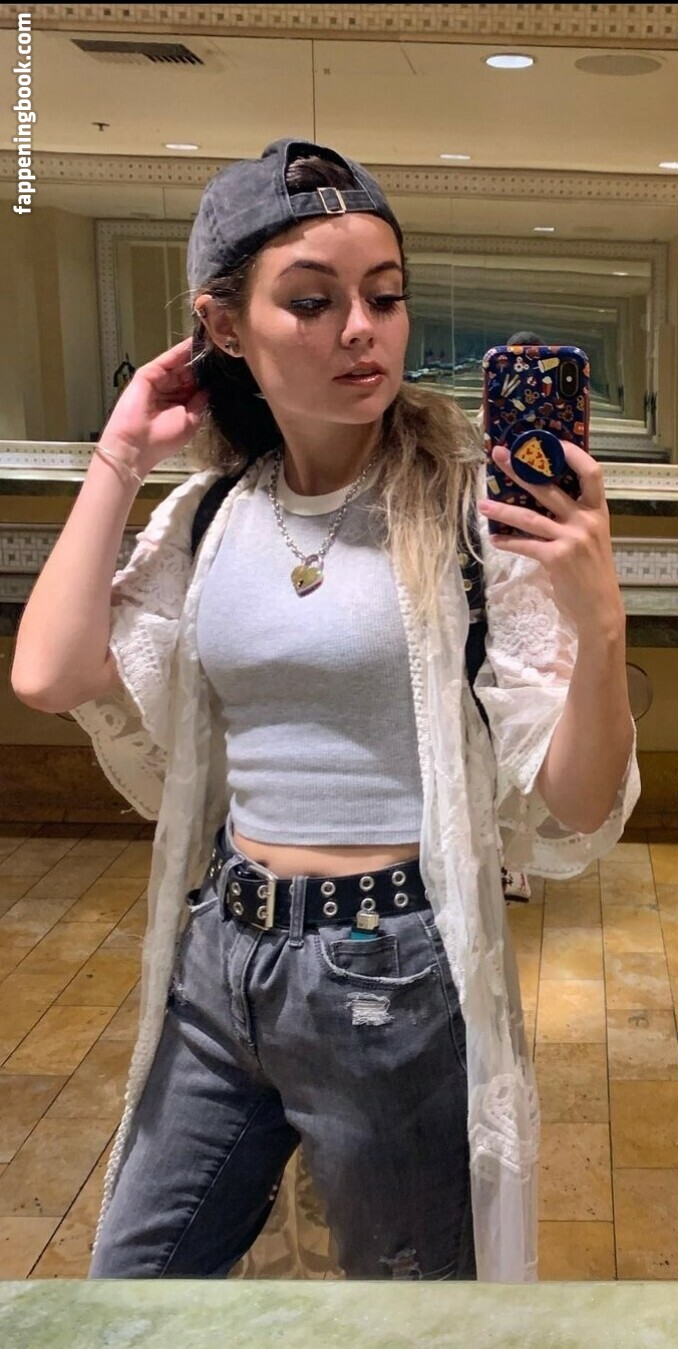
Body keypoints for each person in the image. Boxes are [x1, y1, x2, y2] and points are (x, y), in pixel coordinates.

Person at [11, 138, 639, 1283]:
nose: (362, 329)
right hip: (221, 956)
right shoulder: (211, 516)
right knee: (129, 1297)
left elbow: (579, 800)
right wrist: (122, 450)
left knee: (411, 1310)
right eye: (312, 300)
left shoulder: (465, 516)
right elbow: (51, 672)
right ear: (224, 326)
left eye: (385, 297)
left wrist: (600, 629)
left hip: (389, 973)